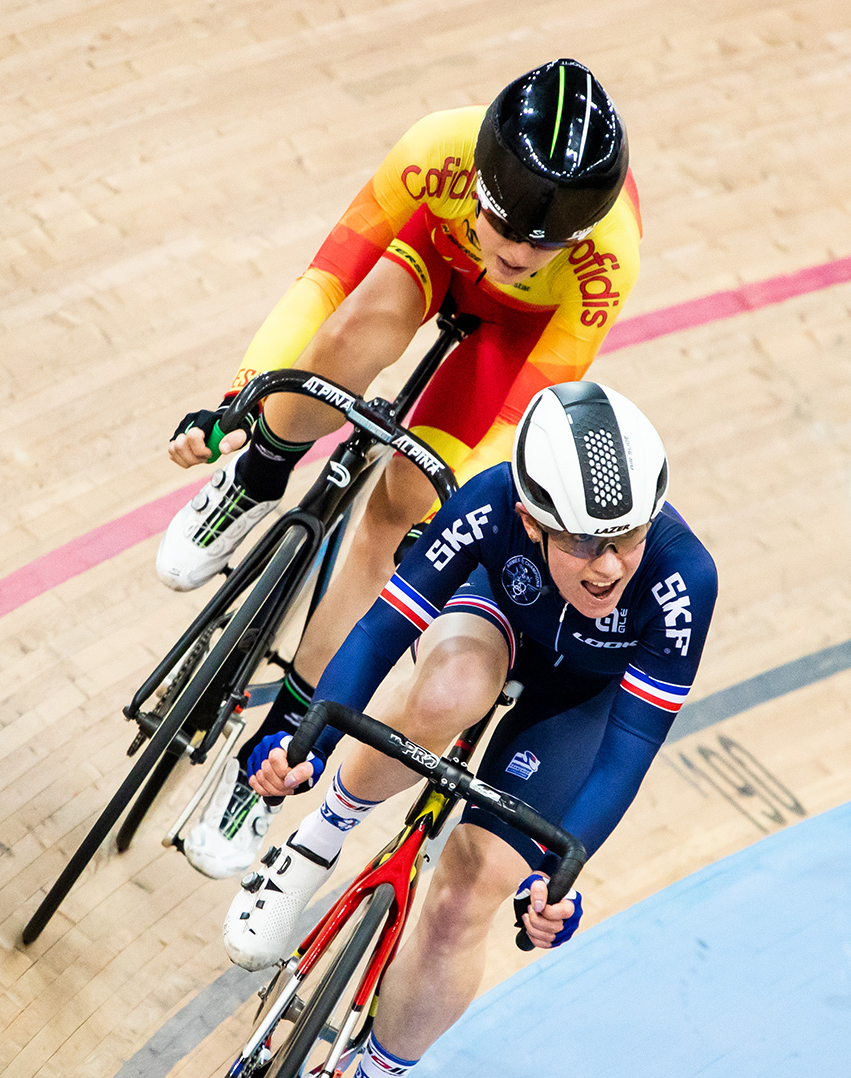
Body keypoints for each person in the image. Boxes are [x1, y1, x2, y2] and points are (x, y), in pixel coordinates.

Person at [223, 380, 716, 1078]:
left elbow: (626, 752)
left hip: (580, 705)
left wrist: (557, 881)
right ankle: (316, 843)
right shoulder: (492, 507)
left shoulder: (682, 580)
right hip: (491, 621)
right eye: (584, 544)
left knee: (470, 888)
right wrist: (306, 742)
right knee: (447, 690)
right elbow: (379, 634)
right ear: (533, 522)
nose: (610, 567)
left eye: (628, 537)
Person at [158, 58, 643, 878]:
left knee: (401, 508)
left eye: (546, 242)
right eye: (507, 228)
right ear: (481, 185)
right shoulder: (436, 154)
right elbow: (323, 283)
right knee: (353, 332)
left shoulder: (608, 260)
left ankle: (273, 753)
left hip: (512, 341)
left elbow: (518, 420)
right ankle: (256, 475)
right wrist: (241, 399)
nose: (523, 253)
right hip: (431, 258)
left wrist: (445, 518)